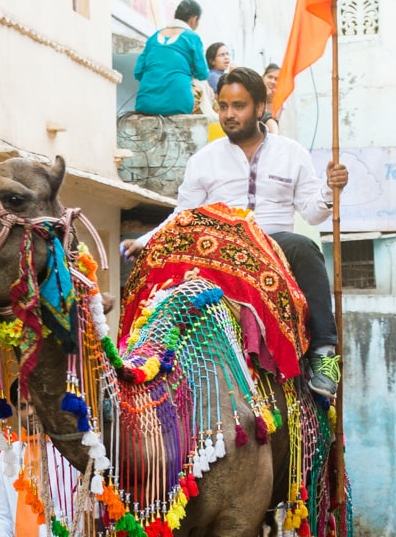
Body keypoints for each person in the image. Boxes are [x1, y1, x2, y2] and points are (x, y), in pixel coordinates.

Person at [123, 66, 349, 398]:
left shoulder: (293, 154)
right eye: (223, 106)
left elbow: (314, 213)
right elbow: (182, 215)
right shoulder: (204, 160)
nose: (229, 115)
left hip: (275, 246)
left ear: (259, 108)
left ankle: (323, 353)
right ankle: (141, 360)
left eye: (238, 106)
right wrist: (142, 241)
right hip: (219, 253)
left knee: (303, 246)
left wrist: (330, 190)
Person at [133, 0, 208, 116]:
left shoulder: (153, 38)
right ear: (194, 19)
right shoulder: (192, 37)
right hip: (178, 103)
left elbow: (138, 72)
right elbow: (202, 73)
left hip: (145, 103)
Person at [261, 62, 283, 132]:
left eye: (276, 79)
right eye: (270, 77)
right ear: (263, 77)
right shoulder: (255, 97)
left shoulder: (281, 103)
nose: (273, 81)